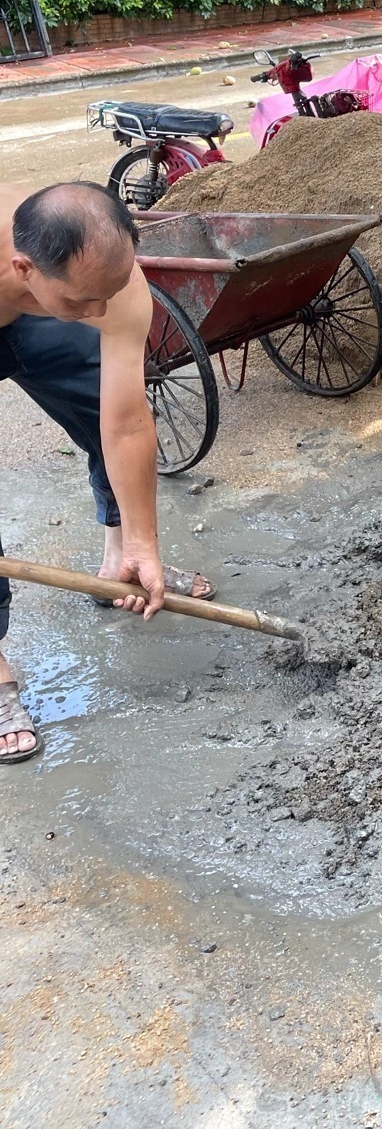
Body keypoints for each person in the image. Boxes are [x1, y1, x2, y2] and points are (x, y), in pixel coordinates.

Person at [0, 182, 212, 764]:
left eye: (108, 294)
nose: (97, 314)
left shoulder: (113, 282)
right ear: (24, 268)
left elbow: (124, 422)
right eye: (81, 304)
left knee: (100, 410)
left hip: (33, 312)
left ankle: (121, 555)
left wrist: (145, 539)